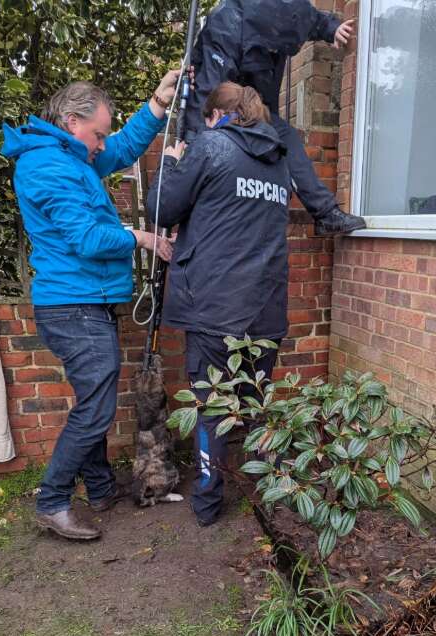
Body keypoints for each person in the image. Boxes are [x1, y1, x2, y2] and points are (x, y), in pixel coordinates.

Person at [1, 72, 179, 541]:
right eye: (98, 133)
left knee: (92, 403)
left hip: (85, 303)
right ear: (72, 120)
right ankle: (53, 500)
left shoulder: (71, 156)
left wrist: (158, 105)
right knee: (96, 412)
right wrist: (141, 237)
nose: (102, 143)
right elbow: (87, 238)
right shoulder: (49, 166)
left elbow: (121, 149)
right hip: (73, 307)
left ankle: (100, 488)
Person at [147, 82, 290, 526]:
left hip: (214, 309)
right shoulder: (279, 161)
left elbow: (161, 210)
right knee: (257, 403)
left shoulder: (211, 146)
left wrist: (170, 165)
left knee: (212, 408)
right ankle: (274, 492)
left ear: (214, 116)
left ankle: (208, 504)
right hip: (266, 308)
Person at [184, 0, 366, 236]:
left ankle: (325, 215)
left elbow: (311, 19)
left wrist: (332, 29)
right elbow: (209, 98)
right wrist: (195, 146)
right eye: (272, 48)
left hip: (259, 106)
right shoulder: (226, 24)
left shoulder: (288, 11)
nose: (275, 53)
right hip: (223, 104)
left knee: (285, 137)